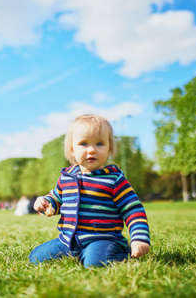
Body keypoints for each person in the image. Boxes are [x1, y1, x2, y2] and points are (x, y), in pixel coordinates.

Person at [29, 114, 150, 268]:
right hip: (69, 240)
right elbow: (57, 198)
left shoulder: (114, 179)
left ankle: (120, 251)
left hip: (102, 238)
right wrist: (47, 202)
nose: (92, 150)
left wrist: (139, 238)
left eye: (99, 144)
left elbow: (133, 209)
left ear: (110, 148)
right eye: (83, 144)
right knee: (36, 258)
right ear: (72, 150)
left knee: (94, 263)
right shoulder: (67, 177)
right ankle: (81, 252)